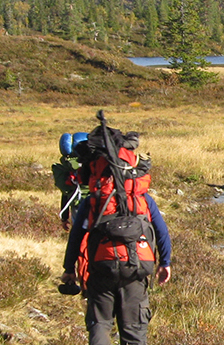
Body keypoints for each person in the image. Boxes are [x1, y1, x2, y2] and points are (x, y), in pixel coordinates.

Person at [60, 124, 172, 345]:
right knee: (134, 331)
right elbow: (161, 231)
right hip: (137, 266)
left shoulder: (93, 200)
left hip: (102, 266)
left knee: (100, 324)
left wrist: (69, 269)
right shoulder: (143, 198)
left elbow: (76, 236)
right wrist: (165, 262)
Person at [52, 132, 89, 230]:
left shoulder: (66, 168)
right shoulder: (94, 165)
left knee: (78, 236)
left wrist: (64, 217)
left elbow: (66, 193)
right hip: (98, 205)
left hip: (76, 206)